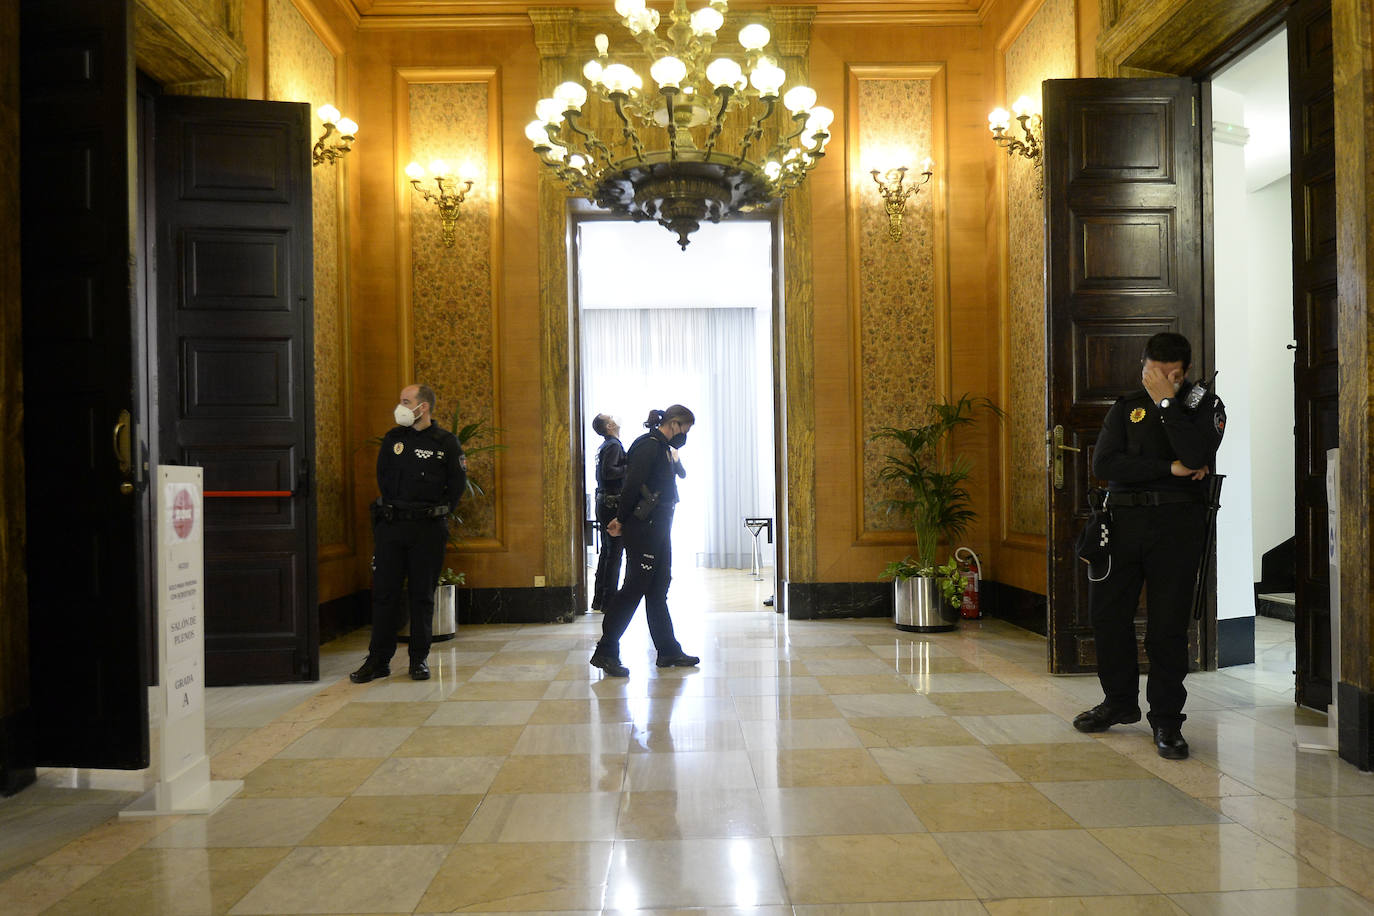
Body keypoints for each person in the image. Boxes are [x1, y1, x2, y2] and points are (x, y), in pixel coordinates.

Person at [1072, 332, 1226, 760]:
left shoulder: (1206, 406)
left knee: (1167, 627)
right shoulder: (1126, 407)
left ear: (1186, 372)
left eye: (1171, 376)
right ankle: (1119, 702)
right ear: (1143, 366)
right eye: (1153, 374)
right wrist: (1170, 468)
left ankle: (1167, 720)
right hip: (1122, 524)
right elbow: (1105, 463)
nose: (1160, 382)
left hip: (1176, 528)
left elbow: (1195, 454)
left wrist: (1167, 404)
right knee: (1108, 618)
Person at [351, 384, 466, 684]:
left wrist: (435, 512)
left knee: (422, 595)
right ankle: (378, 660)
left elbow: (456, 486)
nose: (400, 406)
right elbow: (383, 476)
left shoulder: (446, 442)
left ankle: (419, 660)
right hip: (392, 526)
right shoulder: (393, 439)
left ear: (422, 406)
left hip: (427, 529)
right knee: (385, 594)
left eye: (406, 401)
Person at [590, 405, 700, 677]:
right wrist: (621, 519)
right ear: (674, 424)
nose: (685, 435)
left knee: (658, 588)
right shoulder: (648, 445)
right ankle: (605, 651)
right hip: (644, 529)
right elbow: (631, 485)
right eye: (685, 429)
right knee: (633, 588)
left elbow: (673, 477)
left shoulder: (662, 446)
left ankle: (668, 650)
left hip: (659, 528)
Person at [590, 413, 627, 611]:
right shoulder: (613, 445)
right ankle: (609, 601)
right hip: (612, 503)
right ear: (609, 426)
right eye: (611, 417)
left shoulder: (605, 446)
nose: (615, 418)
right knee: (614, 554)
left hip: (603, 501)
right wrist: (629, 467)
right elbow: (609, 472)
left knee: (607, 552)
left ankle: (599, 599)